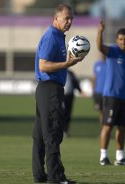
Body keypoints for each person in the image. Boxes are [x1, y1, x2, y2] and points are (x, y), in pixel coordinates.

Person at [33, 4, 83, 184]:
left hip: (46, 89)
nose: (69, 22)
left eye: (71, 19)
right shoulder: (52, 37)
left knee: (40, 135)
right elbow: (43, 65)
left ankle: (40, 175)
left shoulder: (59, 37)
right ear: (56, 18)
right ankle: (56, 177)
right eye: (66, 18)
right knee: (53, 133)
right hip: (50, 89)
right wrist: (66, 64)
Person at [97, 20, 125, 166]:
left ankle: (120, 157)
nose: (123, 41)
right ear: (117, 40)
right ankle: (103, 156)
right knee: (108, 126)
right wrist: (100, 31)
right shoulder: (113, 51)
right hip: (111, 96)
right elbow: (99, 47)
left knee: (122, 128)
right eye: (120, 39)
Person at [63, 69, 83, 137]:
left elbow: (75, 82)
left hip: (69, 95)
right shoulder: (58, 71)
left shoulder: (70, 73)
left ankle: (65, 131)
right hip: (60, 95)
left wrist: (80, 90)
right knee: (60, 113)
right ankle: (58, 130)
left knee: (67, 113)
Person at [92, 53, 106, 126]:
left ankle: (107, 129)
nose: (102, 55)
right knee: (101, 111)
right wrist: (93, 90)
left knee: (107, 111)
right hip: (99, 91)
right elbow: (94, 78)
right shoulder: (97, 64)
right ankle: (103, 129)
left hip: (107, 92)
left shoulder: (110, 64)